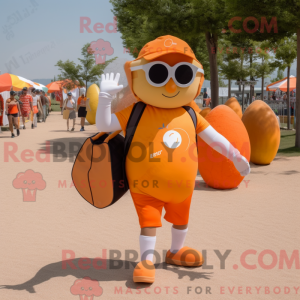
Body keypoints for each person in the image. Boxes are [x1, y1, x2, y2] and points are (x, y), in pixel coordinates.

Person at [95, 35, 250, 283]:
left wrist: (236, 156)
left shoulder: (190, 113)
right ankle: (146, 259)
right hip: (145, 187)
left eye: (182, 75)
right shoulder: (136, 112)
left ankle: (176, 251)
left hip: (183, 188)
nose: (169, 86)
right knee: (149, 222)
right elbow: (103, 125)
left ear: (196, 78)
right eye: (157, 73)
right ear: (136, 74)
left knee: (181, 219)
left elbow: (215, 138)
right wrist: (104, 98)